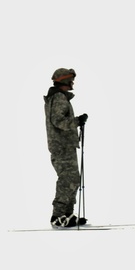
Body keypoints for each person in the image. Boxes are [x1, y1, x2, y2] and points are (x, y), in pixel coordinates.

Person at [44, 68, 86, 227]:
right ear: (64, 81)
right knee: (67, 179)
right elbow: (58, 121)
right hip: (62, 147)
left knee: (72, 179)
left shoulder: (58, 97)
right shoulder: (59, 98)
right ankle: (57, 216)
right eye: (71, 80)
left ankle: (67, 214)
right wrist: (77, 121)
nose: (73, 83)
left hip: (64, 145)